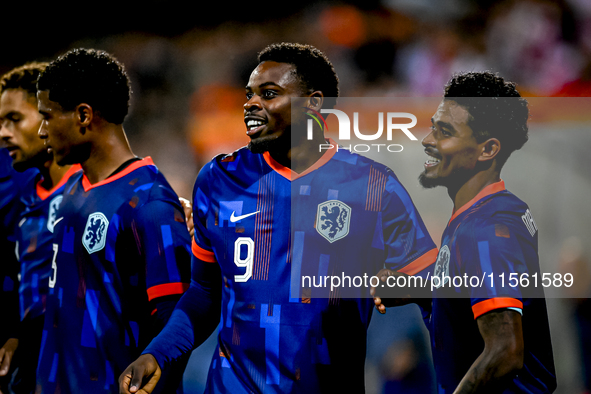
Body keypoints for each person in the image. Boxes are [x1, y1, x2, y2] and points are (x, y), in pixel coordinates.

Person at [119, 42, 437, 394]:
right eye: (249, 95)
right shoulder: (218, 179)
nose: (251, 105)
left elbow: (433, 283)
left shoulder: (372, 185)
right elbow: (205, 292)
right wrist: (158, 354)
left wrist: (400, 286)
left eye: (268, 94)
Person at [373, 71, 557, 393]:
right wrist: (419, 289)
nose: (427, 140)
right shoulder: (487, 214)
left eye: (444, 132)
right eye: (433, 126)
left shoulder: (484, 228)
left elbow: (505, 352)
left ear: (487, 149)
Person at [35, 48, 192, 393]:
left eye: (47, 116)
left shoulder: (150, 202)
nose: (42, 131)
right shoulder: (74, 188)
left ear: (83, 115)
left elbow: (175, 330)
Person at [0, 62, 81, 394]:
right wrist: (16, 334)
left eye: (14, 120)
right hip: (35, 373)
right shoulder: (22, 203)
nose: (3, 133)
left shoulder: (97, 193)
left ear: (50, 117)